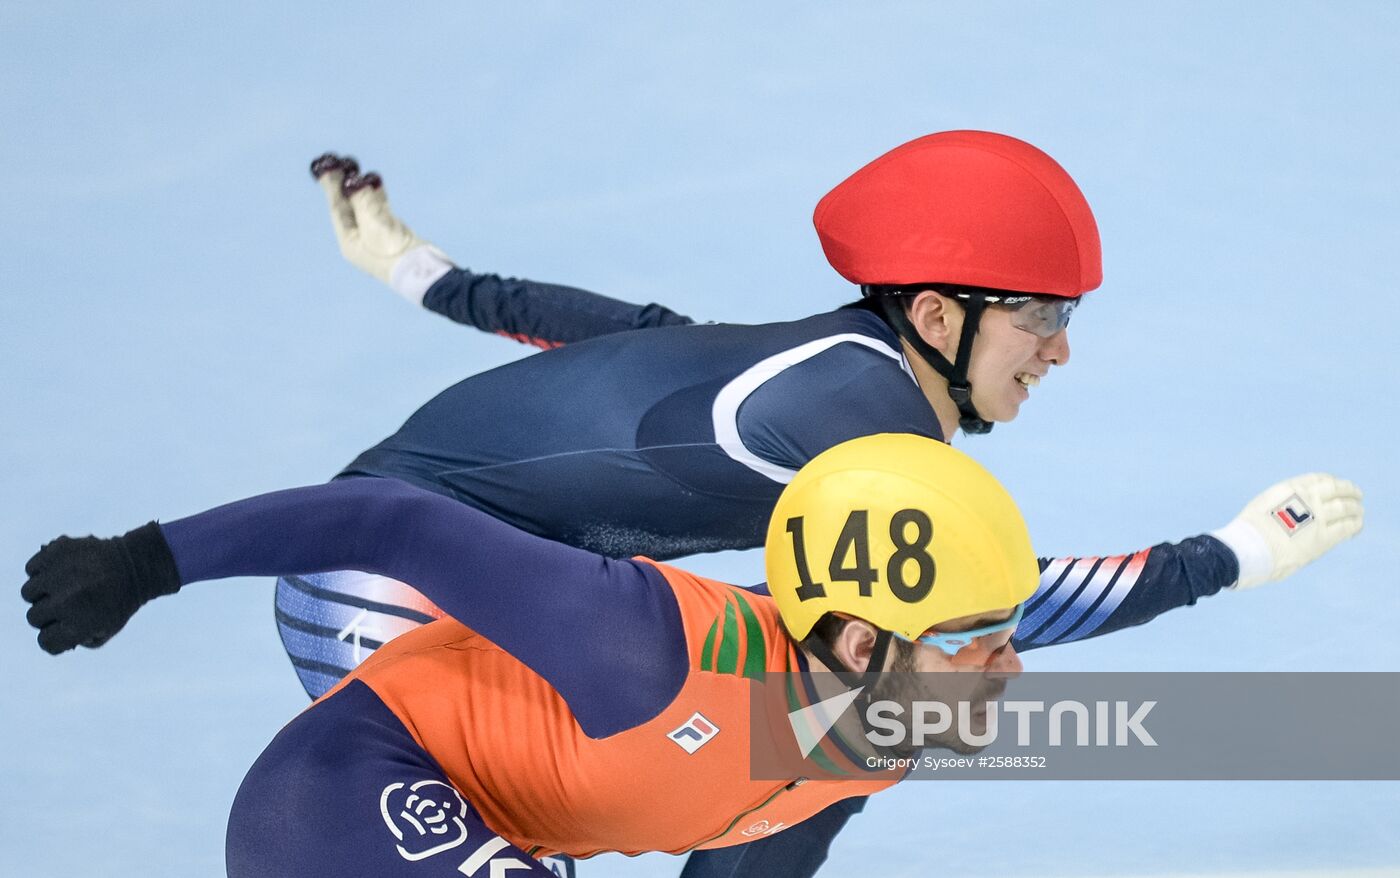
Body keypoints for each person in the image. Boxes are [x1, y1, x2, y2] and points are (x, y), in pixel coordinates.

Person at [28, 132, 1365, 878]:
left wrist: (429, 276)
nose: (1062, 351)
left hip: (502, 581)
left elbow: (630, 343)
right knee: (760, 732)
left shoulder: (830, 366)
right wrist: (1230, 556)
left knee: (805, 745)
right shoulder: (872, 431)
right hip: (392, 582)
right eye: (1047, 318)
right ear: (947, 312)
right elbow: (991, 604)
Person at [15, 435, 1202, 874]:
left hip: (506, 828)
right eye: (972, 646)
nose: (1010, 671)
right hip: (338, 795)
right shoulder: (645, 648)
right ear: (855, 636)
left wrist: (1223, 555)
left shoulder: (882, 729)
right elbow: (392, 521)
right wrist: (142, 561)